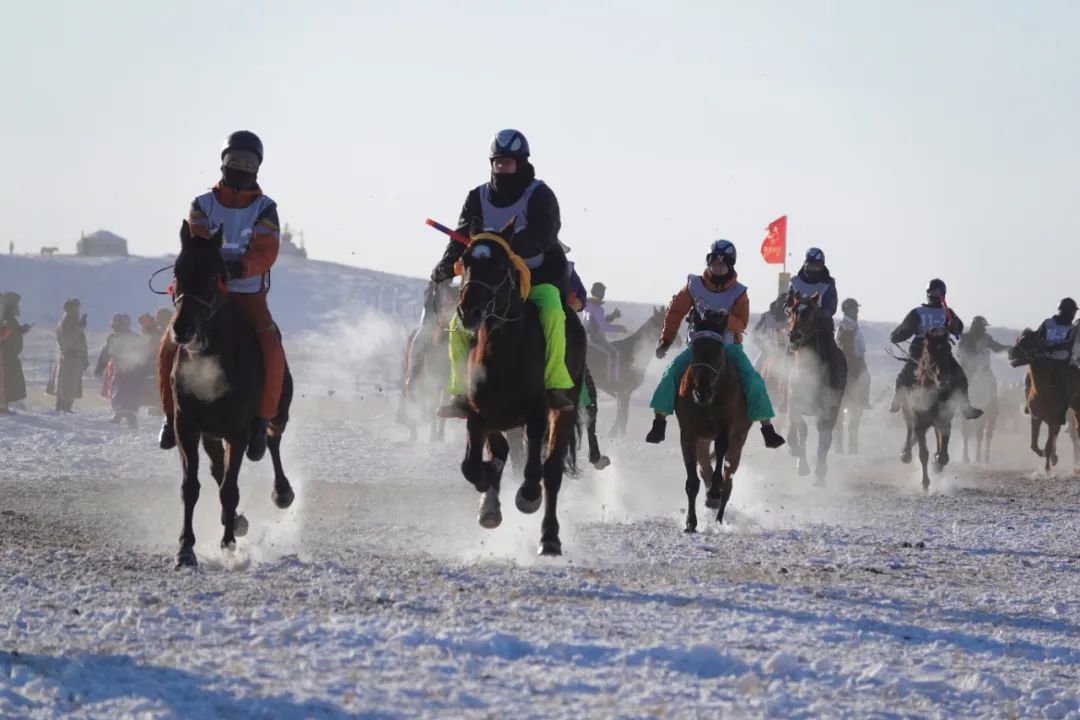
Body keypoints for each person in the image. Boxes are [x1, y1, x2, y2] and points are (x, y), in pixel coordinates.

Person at [157, 131, 285, 461]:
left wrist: (240, 268)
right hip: (204, 292)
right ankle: (171, 418)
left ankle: (261, 420)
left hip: (245, 292)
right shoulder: (202, 204)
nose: (240, 166)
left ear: (257, 167)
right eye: (235, 160)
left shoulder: (265, 208)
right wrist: (210, 269)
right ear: (224, 162)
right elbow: (197, 240)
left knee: (270, 346)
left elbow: (266, 250)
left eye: (248, 162)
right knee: (169, 344)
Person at [430, 129, 575, 418]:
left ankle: (554, 384)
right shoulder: (477, 197)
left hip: (537, 277)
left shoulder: (540, 195)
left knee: (552, 313)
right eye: (498, 163)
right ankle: (460, 392)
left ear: (521, 164)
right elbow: (459, 237)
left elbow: (544, 234)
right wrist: (446, 264)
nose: (503, 169)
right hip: (491, 283)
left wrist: (505, 245)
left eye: (508, 163)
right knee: (458, 324)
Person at [644, 239, 785, 448]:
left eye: (723, 264)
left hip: (729, 347)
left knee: (753, 380)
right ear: (708, 262)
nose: (718, 267)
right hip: (698, 347)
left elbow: (741, 324)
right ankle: (659, 421)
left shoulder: (739, 292)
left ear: (730, 265)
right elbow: (675, 313)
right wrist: (666, 339)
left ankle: (767, 428)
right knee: (672, 372)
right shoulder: (694, 286)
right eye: (714, 263)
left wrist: (725, 318)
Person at [888, 278, 982, 419]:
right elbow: (905, 329)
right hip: (921, 349)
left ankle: (965, 407)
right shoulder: (918, 312)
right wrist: (896, 336)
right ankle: (898, 397)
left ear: (942, 293)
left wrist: (955, 326)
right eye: (931, 292)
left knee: (960, 377)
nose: (933, 294)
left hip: (941, 350)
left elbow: (959, 329)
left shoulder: (948, 313)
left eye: (936, 291)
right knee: (906, 373)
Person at [95, 313, 144, 427]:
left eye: (116, 323)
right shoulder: (113, 337)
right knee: (118, 395)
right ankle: (118, 416)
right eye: (113, 323)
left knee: (128, 396)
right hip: (119, 370)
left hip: (131, 371)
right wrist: (100, 367)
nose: (114, 326)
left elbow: (142, 353)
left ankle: (132, 421)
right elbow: (106, 353)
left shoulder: (133, 337)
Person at [48, 298, 88, 412]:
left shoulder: (70, 321)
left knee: (69, 383)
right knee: (67, 384)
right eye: (76, 308)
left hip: (73, 358)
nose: (78, 311)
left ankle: (64, 406)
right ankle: (63, 407)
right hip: (70, 358)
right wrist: (81, 327)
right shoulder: (67, 322)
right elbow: (69, 337)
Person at [582, 281, 626, 383]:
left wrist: (612, 316)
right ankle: (612, 382)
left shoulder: (586, 305)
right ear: (601, 294)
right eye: (603, 292)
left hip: (583, 336)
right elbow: (604, 327)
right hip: (594, 338)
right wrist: (620, 328)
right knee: (614, 354)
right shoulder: (598, 308)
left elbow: (596, 322)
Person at [786, 247, 838, 333]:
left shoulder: (828, 284)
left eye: (816, 267)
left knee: (829, 344)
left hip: (821, 325)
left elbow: (831, 307)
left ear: (821, 266)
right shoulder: (795, 282)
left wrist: (817, 313)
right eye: (810, 266)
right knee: (788, 338)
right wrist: (789, 308)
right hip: (797, 323)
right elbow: (788, 302)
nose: (813, 269)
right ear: (805, 265)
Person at [835, 298, 870, 407]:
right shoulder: (846, 326)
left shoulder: (853, 325)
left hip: (856, 359)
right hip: (851, 360)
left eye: (856, 310)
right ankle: (863, 401)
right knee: (865, 377)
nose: (856, 313)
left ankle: (863, 401)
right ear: (847, 311)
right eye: (854, 310)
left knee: (866, 377)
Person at [0, 292, 30, 413]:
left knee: (9, 381)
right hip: (5, 356)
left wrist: (21, 330)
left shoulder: (9, 319)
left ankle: (4, 407)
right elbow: (5, 334)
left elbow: (12, 332)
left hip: (9, 356)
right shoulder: (6, 318)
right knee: (5, 381)